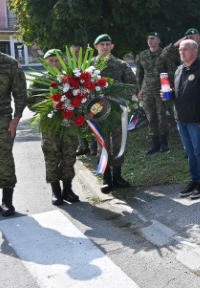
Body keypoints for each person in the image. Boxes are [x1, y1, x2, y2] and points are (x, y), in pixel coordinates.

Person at [30, 50, 81, 206]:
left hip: (69, 124)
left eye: (57, 60)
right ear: (45, 62)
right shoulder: (40, 81)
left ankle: (68, 189)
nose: (54, 63)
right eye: (50, 60)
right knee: (52, 157)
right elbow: (30, 102)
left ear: (63, 61)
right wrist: (47, 106)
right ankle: (55, 191)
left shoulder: (71, 79)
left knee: (69, 156)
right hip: (50, 126)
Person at [90, 34, 137, 193]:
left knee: (118, 143)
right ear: (96, 46)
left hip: (118, 111)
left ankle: (117, 176)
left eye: (107, 44)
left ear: (112, 46)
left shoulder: (121, 65)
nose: (104, 47)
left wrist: (124, 97)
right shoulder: (90, 66)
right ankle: (106, 178)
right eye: (101, 44)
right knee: (102, 144)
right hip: (99, 111)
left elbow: (132, 85)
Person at [173, 40, 200, 199]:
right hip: (181, 119)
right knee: (189, 152)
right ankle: (194, 180)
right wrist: (169, 93)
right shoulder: (179, 70)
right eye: (180, 50)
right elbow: (180, 92)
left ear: (195, 51)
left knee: (199, 152)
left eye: (185, 49)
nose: (181, 52)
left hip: (197, 120)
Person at [136, 31, 175, 154]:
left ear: (158, 41)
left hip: (161, 90)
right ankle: (155, 143)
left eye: (153, 38)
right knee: (150, 116)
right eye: (148, 38)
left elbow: (171, 71)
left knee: (161, 116)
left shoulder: (164, 54)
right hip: (147, 90)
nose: (150, 40)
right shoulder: (142, 55)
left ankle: (164, 143)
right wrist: (139, 90)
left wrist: (170, 88)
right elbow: (139, 74)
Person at [0, 51, 27, 216]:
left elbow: (20, 93)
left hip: (2, 119)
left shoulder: (9, 63)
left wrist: (16, 119)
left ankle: (7, 201)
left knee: (4, 159)